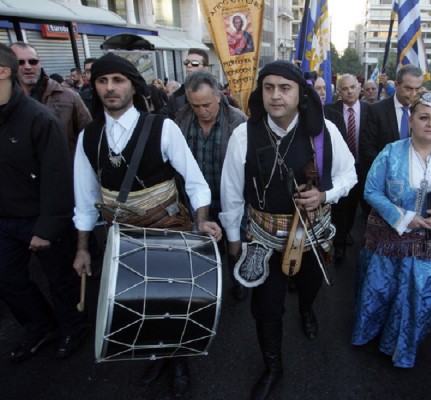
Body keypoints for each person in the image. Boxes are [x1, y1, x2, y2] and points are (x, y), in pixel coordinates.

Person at [71, 52, 222, 397]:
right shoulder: (88, 136)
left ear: (133, 87)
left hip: (167, 226)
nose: (110, 88)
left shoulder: (162, 127)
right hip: (120, 235)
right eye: (102, 81)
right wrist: (82, 249)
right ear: (95, 87)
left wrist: (201, 220)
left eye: (118, 80)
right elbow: (84, 197)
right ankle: (157, 354)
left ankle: (179, 360)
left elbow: (196, 182)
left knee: (172, 299)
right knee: (139, 302)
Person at [219, 61, 356, 400]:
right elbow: (231, 191)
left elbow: (349, 175)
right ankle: (273, 367)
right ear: (260, 93)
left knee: (308, 286)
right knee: (265, 307)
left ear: (300, 94)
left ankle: (306, 309)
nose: (276, 96)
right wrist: (234, 240)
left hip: (311, 232)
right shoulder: (244, 134)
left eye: (284, 88)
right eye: (269, 88)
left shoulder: (323, 131)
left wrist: (325, 194)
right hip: (263, 234)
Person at [351, 91, 431, 368]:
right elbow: (371, 190)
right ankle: (371, 335)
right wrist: (403, 217)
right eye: (423, 117)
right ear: (411, 120)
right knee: (381, 292)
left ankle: (402, 346)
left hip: (429, 247)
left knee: (418, 298)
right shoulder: (390, 152)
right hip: (389, 244)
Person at [0, 42, 88, 362]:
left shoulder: (43, 116)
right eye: (22, 60)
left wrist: (48, 227)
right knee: (7, 278)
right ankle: (39, 324)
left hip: (43, 217)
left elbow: (59, 176)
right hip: (6, 220)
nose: (29, 66)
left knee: (61, 281)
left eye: (33, 60)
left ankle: (72, 327)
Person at [175, 71, 248, 300]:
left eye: (206, 104)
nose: (201, 111)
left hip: (232, 200)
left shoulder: (238, 121)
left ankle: (238, 281)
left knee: (236, 244)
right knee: (205, 248)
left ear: (218, 96)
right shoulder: (181, 119)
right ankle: (209, 290)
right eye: (195, 106)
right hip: (198, 203)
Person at [9, 42, 92, 156]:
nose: (28, 67)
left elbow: (90, 135)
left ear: (39, 63)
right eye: (20, 62)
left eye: (32, 61)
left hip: (65, 169)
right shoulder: (5, 100)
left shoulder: (69, 96)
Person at [326, 74, 371, 262]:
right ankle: (340, 244)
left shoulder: (371, 111)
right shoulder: (329, 111)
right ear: (339, 91)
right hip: (340, 169)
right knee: (340, 207)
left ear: (359, 88)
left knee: (355, 206)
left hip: (364, 167)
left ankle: (347, 232)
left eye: (352, 87)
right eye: (344, 88)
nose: (349, 91)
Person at [361, 64, 424, 178]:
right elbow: (367, 149)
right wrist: (387, 172)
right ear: (396, 84)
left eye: (417, 89)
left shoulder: (424, 110)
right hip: (385, 177)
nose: (414, 94)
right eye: (408, 89)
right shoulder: (376, 111)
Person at [165, 48, 209, 119]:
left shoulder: (217, 95)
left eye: (195, 63)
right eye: (186, 62)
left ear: (205, 68)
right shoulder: (175, 98)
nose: (189, 65)